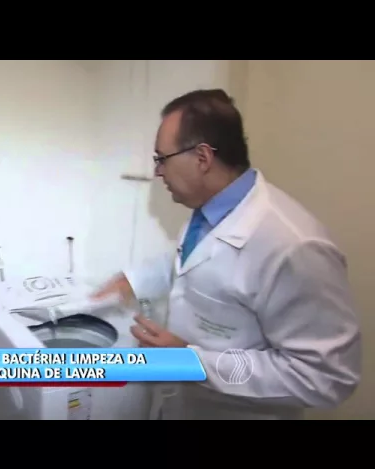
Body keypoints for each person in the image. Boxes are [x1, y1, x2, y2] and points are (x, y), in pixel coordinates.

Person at [93, 89, 361, 420]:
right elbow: (196, 264)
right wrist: (133, 280)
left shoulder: (295, 246)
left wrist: (193, 363)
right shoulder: (208, 211)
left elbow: (325, 377)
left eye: (162, 159)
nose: (158, 172)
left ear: (202, 158)